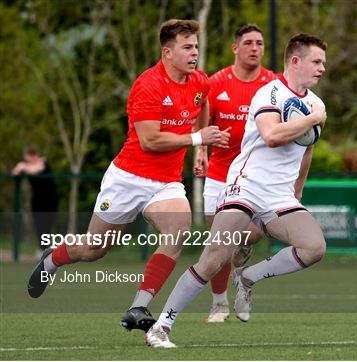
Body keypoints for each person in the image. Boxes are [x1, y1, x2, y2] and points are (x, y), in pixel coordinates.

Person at [26, 19, 230, 332]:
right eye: (187, 47)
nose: (194, 53)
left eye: (196, 47)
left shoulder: (198, 81)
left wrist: (200, 146)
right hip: (128, 178)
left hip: (166, 183)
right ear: (167, 52)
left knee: (178, 230)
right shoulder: (148, 85)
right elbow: (150, 140)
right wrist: (198, 139)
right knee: (95, 248)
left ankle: (138, 307)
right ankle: (52, 260)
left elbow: (203, 103)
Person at [144, 33, 328, 348]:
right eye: (317, 61)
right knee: (214, 257)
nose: (322, 68)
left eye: (323, 62)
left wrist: (297, 189)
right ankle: (161, 326)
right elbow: (271, 135)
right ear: (295, 61)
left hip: (280, 196)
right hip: (247, 187)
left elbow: (307, 148)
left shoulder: (316, 103)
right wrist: (312, 119)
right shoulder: (269, 94)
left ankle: (249, 276)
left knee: (314, 248)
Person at [196, 24, 277, 323]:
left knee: (248, 236)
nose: (255, 48)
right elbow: (202, 126)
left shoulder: (273, 84)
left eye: (260, 43)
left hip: (254, 177)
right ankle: (219, 303)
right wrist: (202, 149)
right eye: (248, 43)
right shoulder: (216, 83)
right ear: (235, 48)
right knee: (216, 241)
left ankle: (241, 277)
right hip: (219, 173)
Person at [12, 147, 59, 257]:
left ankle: (47, 250)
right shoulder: (26, 165)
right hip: (37, 201)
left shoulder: (43, 162)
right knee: (39, 225)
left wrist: (24, 166)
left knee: (47, 225)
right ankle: (43, 249)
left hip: (50, 200)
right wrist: (21, 166)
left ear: (35, 156)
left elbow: (37, 169)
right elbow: (15, 172)